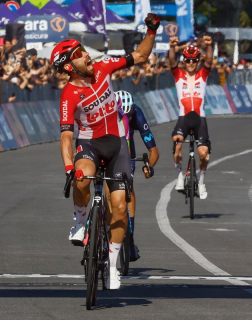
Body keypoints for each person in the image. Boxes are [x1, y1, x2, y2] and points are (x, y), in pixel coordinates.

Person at [54, 13, 160, 290]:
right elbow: (66, 137)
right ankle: (79, 221)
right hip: (88, 144)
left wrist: (151, 31)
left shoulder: (103, 67)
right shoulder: (69, 96)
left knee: (121, 206)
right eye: (78, 54)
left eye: (83, 50)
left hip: (116, 145)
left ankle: (113, 266)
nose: (86, 55)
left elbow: (139, 56)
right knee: (81, 176)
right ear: (68, 67)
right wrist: (68, 167)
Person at [115, 90, 159, 262]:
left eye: (129, 115)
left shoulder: (137, 114)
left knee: (128, 188)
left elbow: (154, 151)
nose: (126, 118)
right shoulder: (108, 112)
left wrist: (149, 167)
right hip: (110, 147)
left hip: (128, 151)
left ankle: (130, 240)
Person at [169, 35, 213, 200]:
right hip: (184, 118)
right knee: (177, 143)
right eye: (187, 60)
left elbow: (208, 61)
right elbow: (172, 61)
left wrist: (209, 45)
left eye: (194, 60)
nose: (191, 63)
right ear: (184, 61)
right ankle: (180, 176)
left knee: (203, 154)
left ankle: (201, 182)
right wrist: (172, 47)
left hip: (200, 119)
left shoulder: (202, 74)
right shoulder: (178, 75)